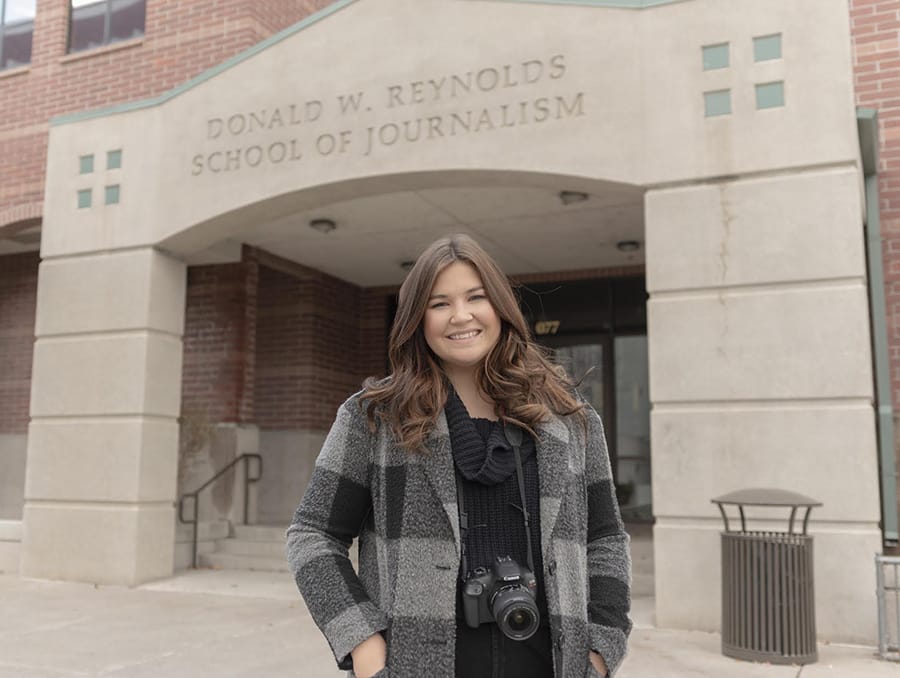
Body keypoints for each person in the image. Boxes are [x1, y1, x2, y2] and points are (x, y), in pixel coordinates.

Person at [287, 234, 631, 678]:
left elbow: (606, 540)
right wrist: (363, 643)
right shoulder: (374, 417)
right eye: (439, 303)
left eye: (475, 297)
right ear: (417, 319)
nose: (461, 316)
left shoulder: (569, 419)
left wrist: (602, 650)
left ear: (501, 307)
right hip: (417, 664)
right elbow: (312, 534)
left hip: (551, 662)